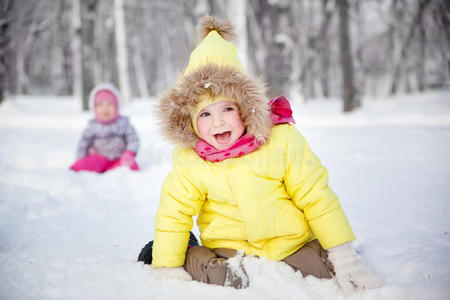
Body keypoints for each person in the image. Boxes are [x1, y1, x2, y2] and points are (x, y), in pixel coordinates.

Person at [150, 16, 383, 291]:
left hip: (292, 247)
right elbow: (173, 213)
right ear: (189, 121)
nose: (218, 122)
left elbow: (316, 196)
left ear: (246, 108)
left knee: (326, 268)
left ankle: (335, 260)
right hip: (229, 253)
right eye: (205, 114)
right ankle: (183, 260)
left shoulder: (280, 140)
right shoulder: (191, 161)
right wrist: (168, 266)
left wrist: (344, 257)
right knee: (198, 263)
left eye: (228, 109)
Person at [70, 83, 140, 173]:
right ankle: (75, 170)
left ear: (117, 106)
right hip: (99, 159)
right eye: (100, 105)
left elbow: (133, 139)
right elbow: (83, 144)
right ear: (94, 108)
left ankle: (114, 169)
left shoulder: (124, 124)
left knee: (131, 165)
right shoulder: (93, 126)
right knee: (87, 164)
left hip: (120, 158)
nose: (105, 108)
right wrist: (80, 158)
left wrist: (129, 153)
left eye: (109, 105)